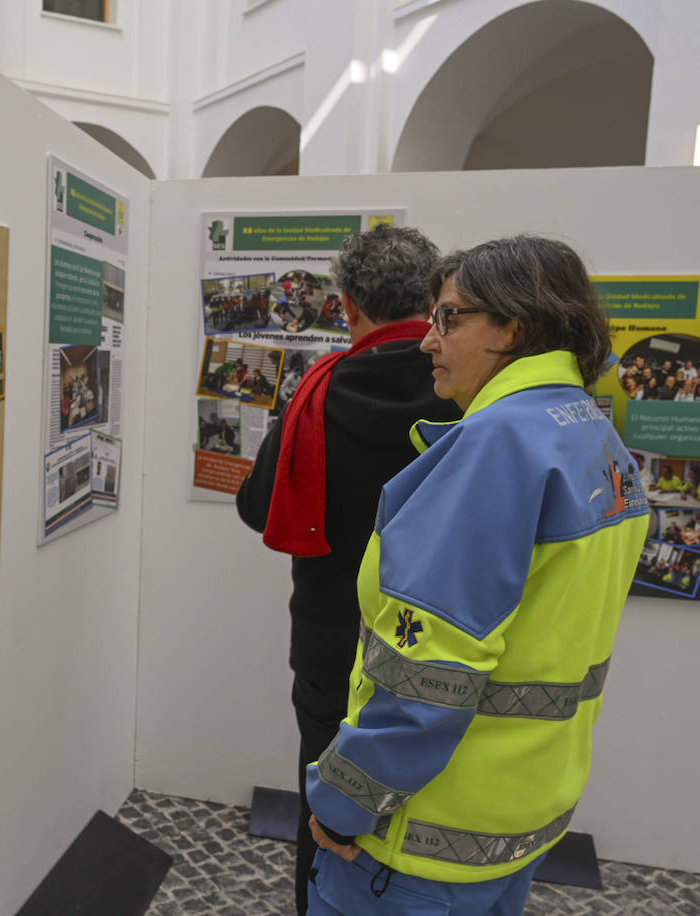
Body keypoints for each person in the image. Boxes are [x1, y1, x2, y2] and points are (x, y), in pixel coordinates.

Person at [302, 236, 648, 916]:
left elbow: (427, 676)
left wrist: (341, 804)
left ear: (512, 326)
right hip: (518, 814)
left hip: (416, 836)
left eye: (448, 318)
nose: (430, 340)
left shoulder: (495, 448)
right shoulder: (592, 434)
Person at [235, 224, 459, 916]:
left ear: (348, 307)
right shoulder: (468, 393)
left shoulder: (319, 392)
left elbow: (256, 505)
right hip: (444, 648)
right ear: (432, 300)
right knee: (437, 807)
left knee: (325, 806)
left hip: (334, 645)